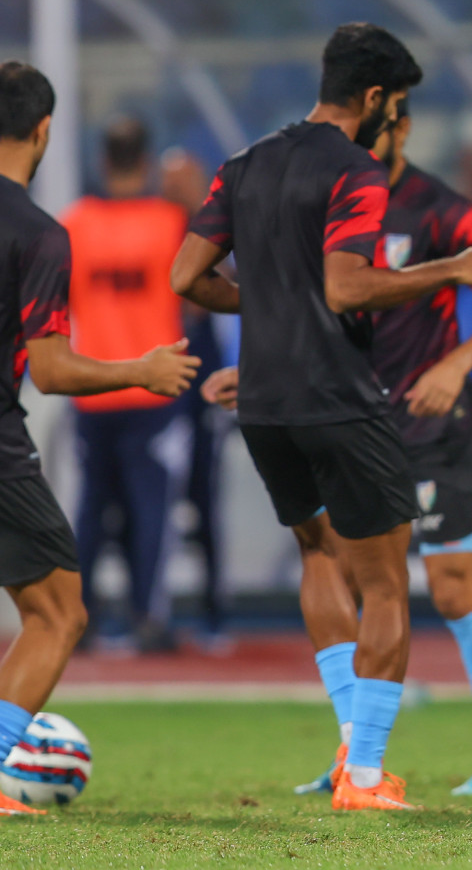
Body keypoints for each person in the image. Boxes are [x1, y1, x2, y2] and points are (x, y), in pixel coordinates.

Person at [169, 23, 472, 811]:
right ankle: (363, 775)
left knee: (318, 558)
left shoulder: (243, 164)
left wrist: (275, 314)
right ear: (375, 97)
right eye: (398, 102)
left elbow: (187, 275)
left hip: (262, 401)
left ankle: (348, 750)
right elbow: (349, 288)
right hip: (339, 401)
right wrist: (451, 269)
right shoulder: (357, 170)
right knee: (385, 585)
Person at [0, 61, 198, 816]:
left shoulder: (78, 221)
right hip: (70, 417)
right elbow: (48, 369)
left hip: (94, 420)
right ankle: (151, 624)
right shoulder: (45, 232)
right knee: (60, 613)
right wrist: (142, 367)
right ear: (44, 130)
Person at [61, 117, 190, 653]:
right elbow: (198, 293)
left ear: (102, 160)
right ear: (145, 160)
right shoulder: (171, 223)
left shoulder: (73, 224)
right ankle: (148, 618)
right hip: (155, 387)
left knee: (90, 508)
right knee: (150, 510)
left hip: (92, 385)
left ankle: (78, 618)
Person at [161, 146, 231, 646]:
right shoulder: (155, 227)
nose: (176, 191)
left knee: (204, 495)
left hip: (201, 367)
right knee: (149, 496)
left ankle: (211, 611)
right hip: (162, 362)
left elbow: (223, 291)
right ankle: (152, 608)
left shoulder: (220, 230)